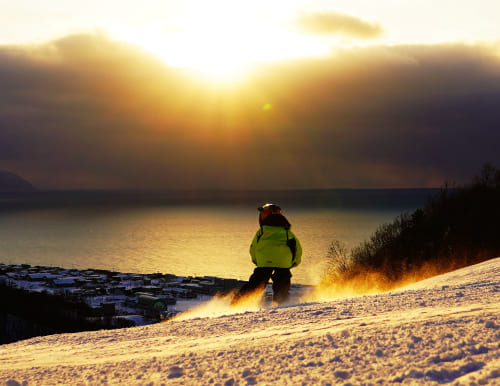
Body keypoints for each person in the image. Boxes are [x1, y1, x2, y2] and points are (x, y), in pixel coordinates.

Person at [232, 203, 302, 305]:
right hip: (283, 262)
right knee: (282, 284)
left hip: (264, 262)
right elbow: (297, 249)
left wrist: (256, 261)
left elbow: (253, 248)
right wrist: (293, 263)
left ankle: (237, 303)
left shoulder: (261, 232)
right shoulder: (287, 232)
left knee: (255, 284)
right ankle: (282, 305)